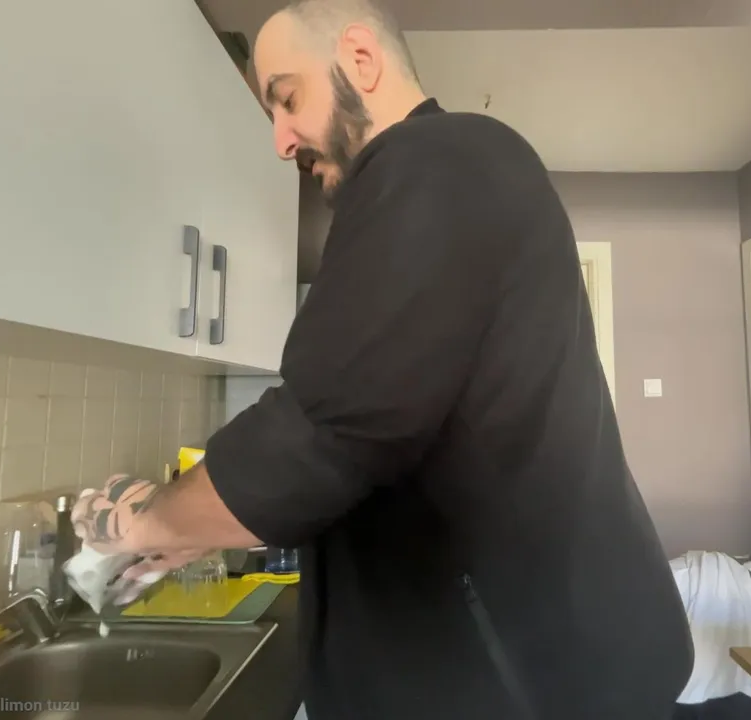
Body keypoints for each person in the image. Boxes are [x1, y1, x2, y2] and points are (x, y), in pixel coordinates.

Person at [70, 0, 693, 717]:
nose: (280, 141)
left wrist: (147, 521)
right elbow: (365, 435)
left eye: (287, 99)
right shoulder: (450, 175)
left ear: (360, 60)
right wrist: (197, 528)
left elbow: (324, 430)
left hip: (522, 687)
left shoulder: (437, 160)